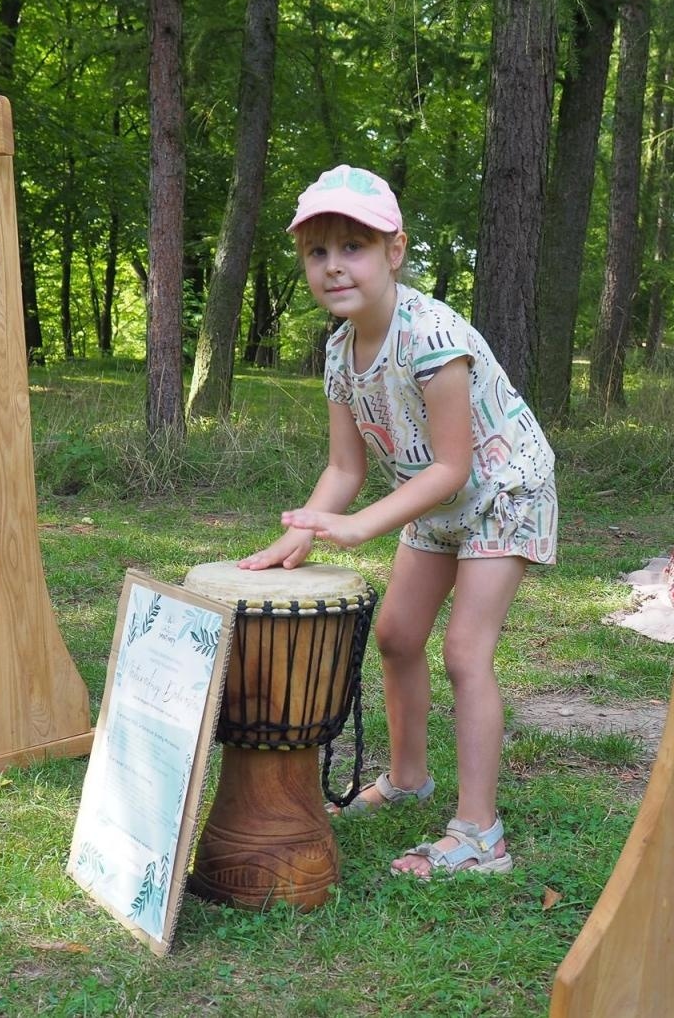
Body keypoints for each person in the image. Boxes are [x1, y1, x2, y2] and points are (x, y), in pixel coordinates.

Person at [239, 165, 558, 876]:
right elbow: (345, 469)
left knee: (465, 653)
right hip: (436, 498)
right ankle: (410, 779)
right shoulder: (337, 352)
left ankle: (481, 835)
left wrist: (362, 528)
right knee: (396, 635)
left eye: (352, 246)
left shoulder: (433, 335)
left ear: (394, 251)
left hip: (504, 490)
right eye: (317, 252)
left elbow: (452, 464)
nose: (333, 265)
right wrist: (301, 533)